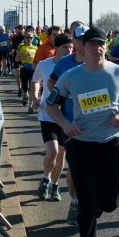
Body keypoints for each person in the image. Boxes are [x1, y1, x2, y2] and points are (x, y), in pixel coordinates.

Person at [45, 27, 119, 237]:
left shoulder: (117, 72)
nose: (97, 49)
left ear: (105, 48)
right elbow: (50, 106)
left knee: (109, 203)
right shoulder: (70, 76)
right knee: (87, 206)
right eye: (92, 45)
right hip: (82, 147)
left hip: (112, 146)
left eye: (101, 44)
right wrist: (65, 125)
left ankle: (100, 204)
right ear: (81, 48)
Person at [47, 21, 87, 225]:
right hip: (71, 124)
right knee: (74, 167)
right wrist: (61, 94)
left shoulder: (99, 60)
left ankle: (91, 200)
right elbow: (52, 82)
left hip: (97, 126)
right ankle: (74, 202)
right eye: (81, 39)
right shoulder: (64, 63)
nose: (84, 43)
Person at [30, 33, 74, 201]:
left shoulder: (75, 66)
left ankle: (54, 185)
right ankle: (45, 178)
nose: (69, 51)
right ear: (56, 48)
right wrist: (34, 97)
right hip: (48, 114)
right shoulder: (45, 64)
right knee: (53, 151)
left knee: (62, 154)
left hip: (67, 116)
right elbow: (35, 81)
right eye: (65, 48)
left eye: (71, 48)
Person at [16, 35, 39, 109]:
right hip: (24, 68)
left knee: (32, 87)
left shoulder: (35, 47)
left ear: (33, 39)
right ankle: (25, 95)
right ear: (24, 39)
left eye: (31, 38)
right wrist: (25, 57)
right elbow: (16, 59)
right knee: (25, 86)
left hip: (33, 69)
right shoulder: (22, 47)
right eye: (27, 37)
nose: (29, 39)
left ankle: (30, 106)